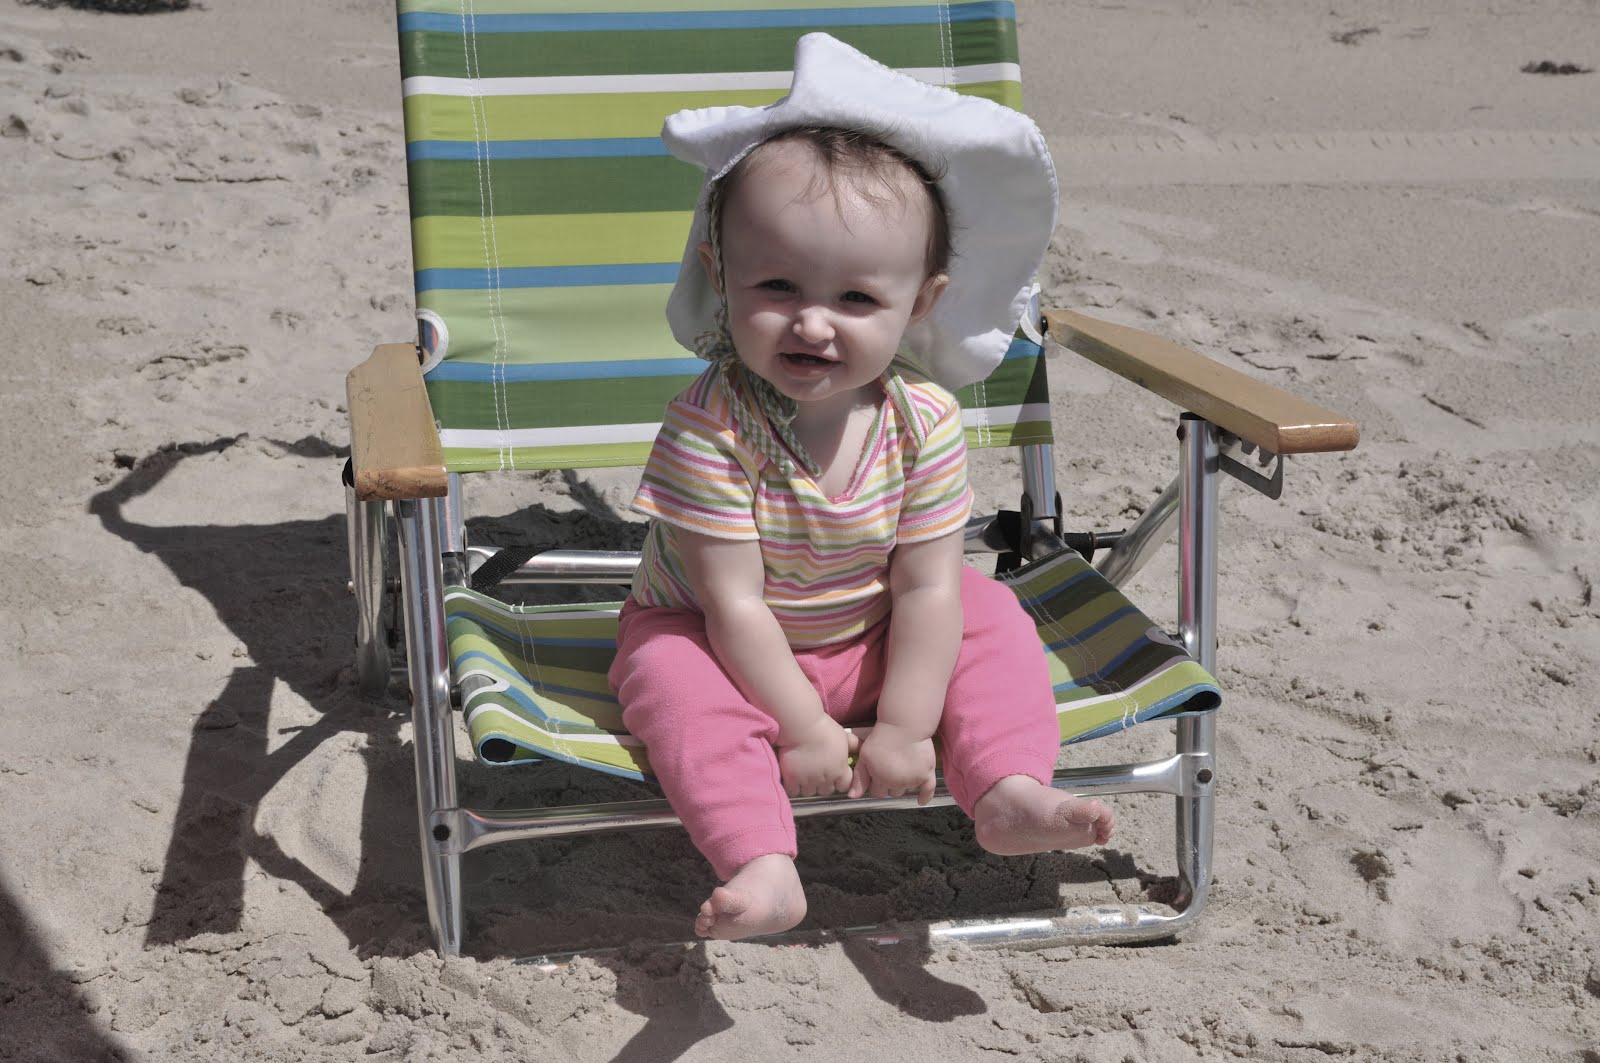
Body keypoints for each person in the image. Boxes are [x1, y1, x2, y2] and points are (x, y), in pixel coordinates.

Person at [608, 33, 1113, 942]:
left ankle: (1007, 789)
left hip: (873, 632)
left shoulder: (923, 421)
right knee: (665, 675)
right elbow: (732, 606)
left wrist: (909, 728)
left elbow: (924, 588)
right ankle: (762, 861)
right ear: (721, 274)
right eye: (777, 285)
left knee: (987, 609)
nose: (813, 323)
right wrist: (804, 727)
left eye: (856, 299)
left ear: (921, 302)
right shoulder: (711, 425)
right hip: (725, 642)